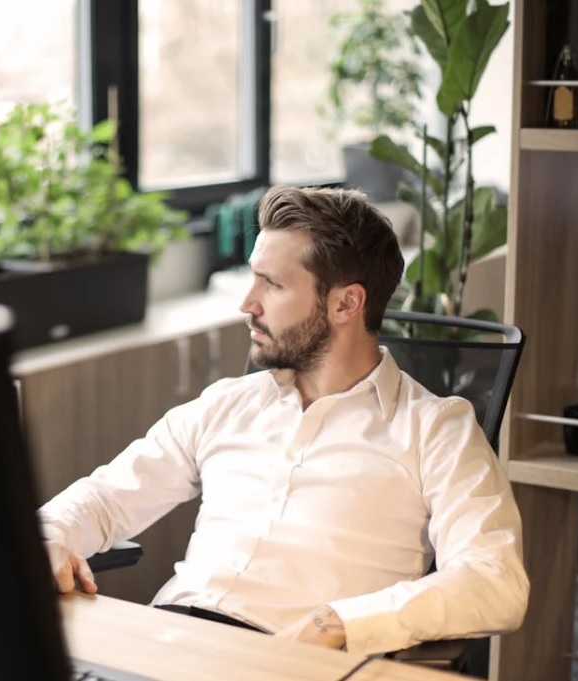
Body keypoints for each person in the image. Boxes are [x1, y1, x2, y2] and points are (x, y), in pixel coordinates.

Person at [38, 185, 529, 655]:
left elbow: (494, 578)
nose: (247, 303)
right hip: (169, 644)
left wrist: (339, 623)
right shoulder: (227, 404)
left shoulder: (435, 429)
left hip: (289, 661)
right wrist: (52, 536)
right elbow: (104, 499)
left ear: (346, 303)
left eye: (271, 284)